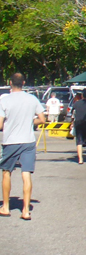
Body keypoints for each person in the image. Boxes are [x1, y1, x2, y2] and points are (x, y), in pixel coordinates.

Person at [0, 73, 46, 220]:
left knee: (7, 172)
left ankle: (6, 207)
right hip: (28, 141)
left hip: (10, 141)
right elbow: (42, 119)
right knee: (26, 174)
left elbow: (0, 124)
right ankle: (25, 210)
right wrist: (29, 123)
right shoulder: (32, 99)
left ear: (10, 83)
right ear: (24, 83)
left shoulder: (4, 101)